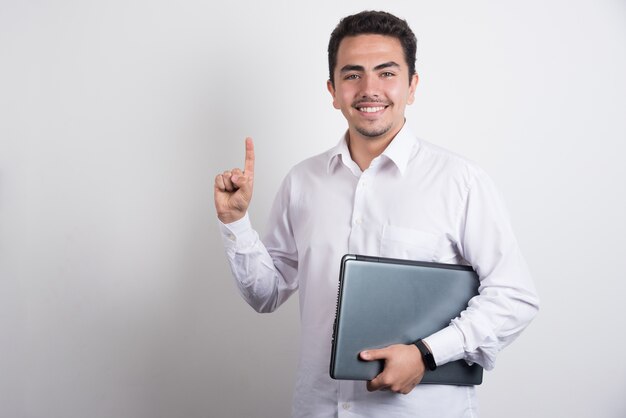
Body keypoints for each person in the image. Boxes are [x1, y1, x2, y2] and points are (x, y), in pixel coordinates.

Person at [214, 10, 539, 418]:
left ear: (412, 86)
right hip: (318, 408)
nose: (370, 89)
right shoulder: (302, 181)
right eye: (352, 75)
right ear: (333, 91)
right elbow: (267, 294)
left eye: (386, 73)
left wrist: (426, 354)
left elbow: (514, 296)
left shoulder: (461, 182)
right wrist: (235, 223)